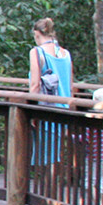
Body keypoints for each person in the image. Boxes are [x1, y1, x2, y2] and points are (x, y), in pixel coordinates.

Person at [27, 19, 73, 174]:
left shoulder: (37, 52)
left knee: (44, 154)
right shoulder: (66, 53)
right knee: (56, 153)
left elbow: (35, 85)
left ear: (37, 33)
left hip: (46, 108)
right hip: (64, 107)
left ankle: (44, 193)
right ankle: (54, 190)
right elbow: (70, 85)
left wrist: (31, 110)